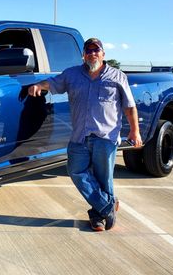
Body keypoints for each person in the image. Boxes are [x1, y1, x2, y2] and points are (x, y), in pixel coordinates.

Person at [28, 37, 142, 231]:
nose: (92, 54)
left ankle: (98, 217)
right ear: (83, 55)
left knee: (103, 179)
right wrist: (39, 85)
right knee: (75, 171)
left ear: (103, 54)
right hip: (80, 136)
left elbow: (129, 106)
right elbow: (53, 83)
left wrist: (135, 131)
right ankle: (108, 206)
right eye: (88, 51)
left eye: (96, 50)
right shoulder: (71, 74)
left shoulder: (117, 76)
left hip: (105, 137)